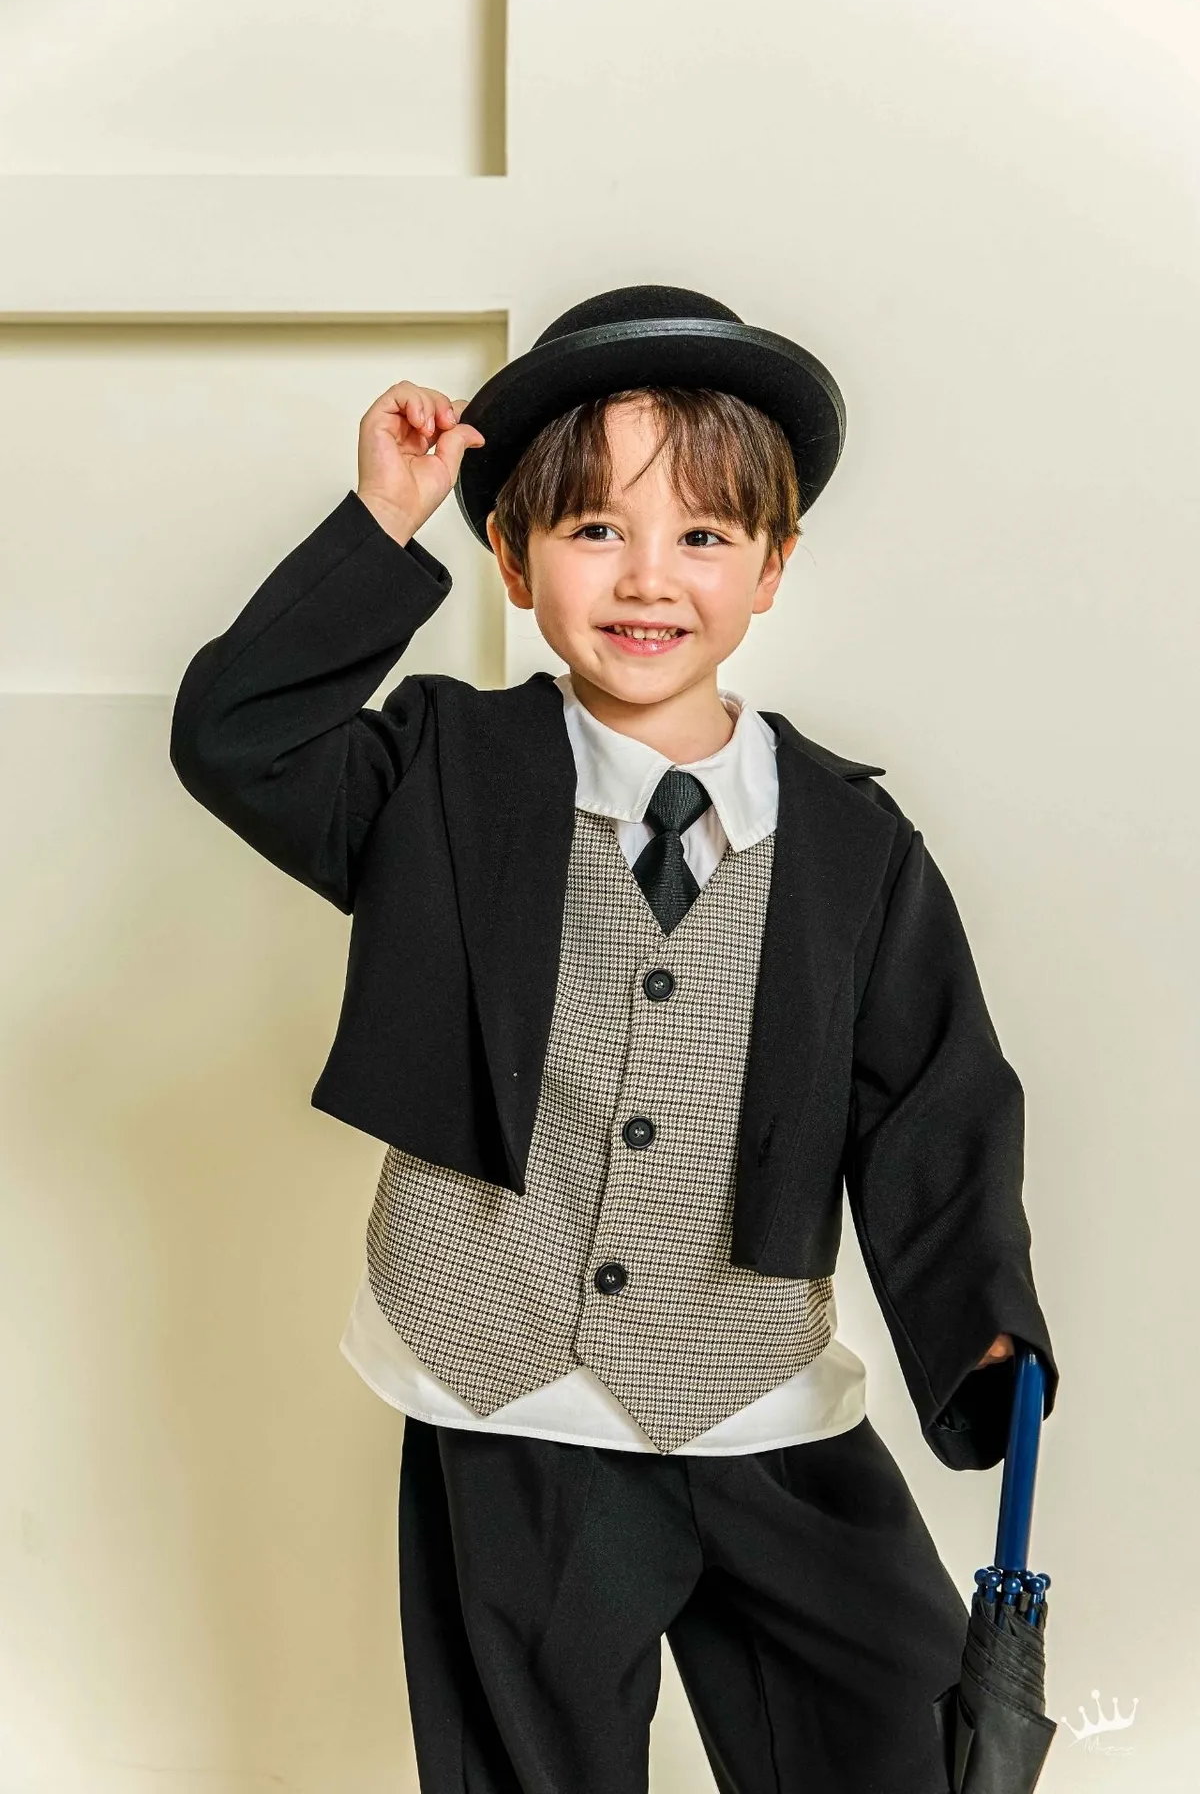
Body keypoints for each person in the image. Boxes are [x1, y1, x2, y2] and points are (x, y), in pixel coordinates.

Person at [170, 284, 1059, 1794]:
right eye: (595, 529)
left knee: (898, 1747)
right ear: (514, 559)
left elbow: (934, 1095)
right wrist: (382, 524)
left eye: (704, 535)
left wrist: (978, 1321)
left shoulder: (852, 844)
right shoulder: (440, 777)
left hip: (753, 1397)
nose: (649, 577)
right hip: (501, 1394)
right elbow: (236, 739)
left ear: (774, 565)